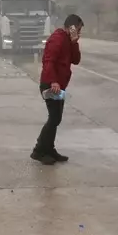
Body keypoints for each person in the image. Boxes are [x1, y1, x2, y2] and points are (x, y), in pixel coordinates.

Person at [31, 13, 83, 165]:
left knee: (56, 118)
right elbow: (48, 61)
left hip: (60, 86)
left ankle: (49, 149)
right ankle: (39, 151)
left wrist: (74, 43)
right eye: (78, 29)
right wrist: (53, 81)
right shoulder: (57, 39)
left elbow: (76, 60)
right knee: (54, 118)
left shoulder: (68, 41)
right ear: (70, 27)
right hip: (51, 85)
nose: (79, 32)